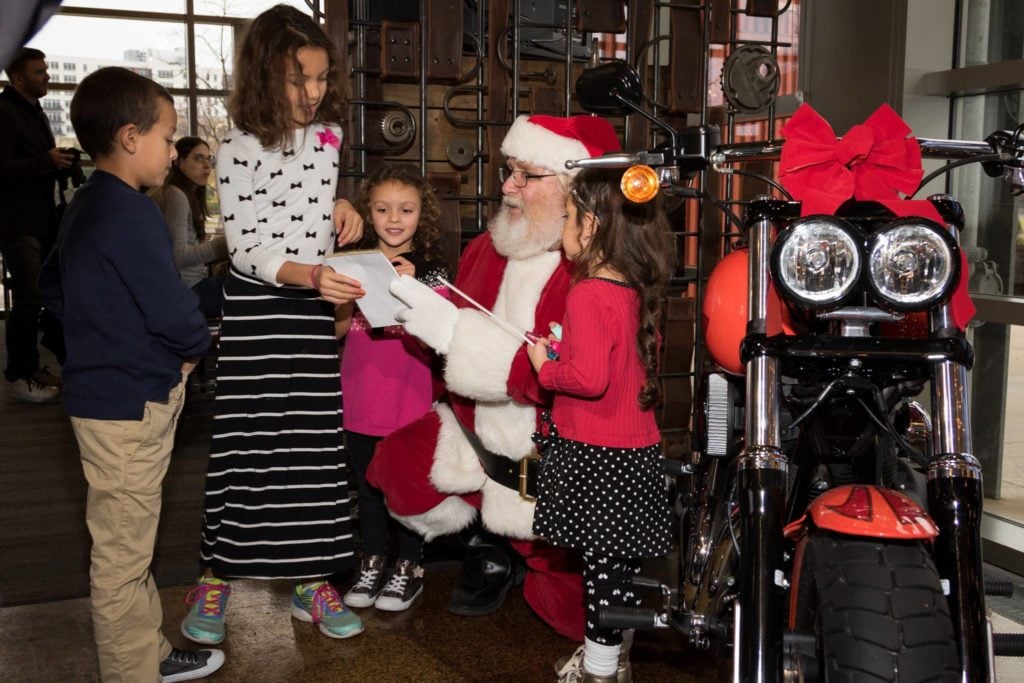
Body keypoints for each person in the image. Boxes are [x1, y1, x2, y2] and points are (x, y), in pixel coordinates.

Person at [367, 114, 621, 641]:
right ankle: (489, 544)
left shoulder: (599, 268)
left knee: (578, 613)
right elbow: (447, 348)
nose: (507, 186)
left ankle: (519, 555)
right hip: (474, 432)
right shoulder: (487, 247)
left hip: (554, 448)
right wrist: (420, 317)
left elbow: (569, 375)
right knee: (396, 465)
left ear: (572, 187)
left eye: (527, 175)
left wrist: (451, 335)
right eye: (509, 171)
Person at [180, 4, 366, 646]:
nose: (313, 92)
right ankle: (214, 578)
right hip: (261, 310)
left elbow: (303, 208)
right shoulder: (235, 147)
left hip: (312, 310)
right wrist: (311, 273)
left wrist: (339, 205)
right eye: (298, 79)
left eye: (321, 78)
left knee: (314, 451)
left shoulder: (329, 137)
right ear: (264, 76)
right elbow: (247, 248)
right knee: (249, 446)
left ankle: (313, 580)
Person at [38, 66, 224, 683]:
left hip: (102, 395)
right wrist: (192, 347)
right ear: (129, 136)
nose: (172, 152)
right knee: (121, 558)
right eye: (167, 138)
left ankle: (151, 653)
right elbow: (171, 308)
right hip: (129, 403)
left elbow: (52, 290)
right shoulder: (134, 213)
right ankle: (131, 672)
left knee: (131, 541)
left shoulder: (85, 203)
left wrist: (99, 337)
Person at [526, 168, 674, 683]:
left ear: (590, 225)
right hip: (635, 451)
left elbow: (588, 380)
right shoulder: (633, 289)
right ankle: (617, 659)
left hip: (596, 453)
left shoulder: (587, 292)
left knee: (601, 575)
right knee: (621, 570)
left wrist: (545, 366)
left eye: (568, 216)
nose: (564, 226)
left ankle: (599, 670)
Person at [338, 163, 449, 612]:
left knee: (405, 486)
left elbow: (439, 341)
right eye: (383, 209)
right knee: (367, 488)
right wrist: (344, 296)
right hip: (361, 395)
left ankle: (409, 567)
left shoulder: (434, 272)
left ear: (423, 214)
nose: (394, 218)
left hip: (410, 398)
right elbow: (337, 331)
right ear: (369, 212)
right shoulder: (353, 264)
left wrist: (414, 290)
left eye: (406, 209)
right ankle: (372, 562)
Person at [0, 46, 70, 402]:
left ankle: (32, 366)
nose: (47, 76)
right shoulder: (4, 112)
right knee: (28, 297)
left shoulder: (33, 111)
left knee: (42, 292)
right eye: (39, 71)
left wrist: (55, 162)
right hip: (17, 222)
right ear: (18, 78)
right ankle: (19, 374)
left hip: (40, 220)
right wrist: (46, 160)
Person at [150, 136, 228, 318]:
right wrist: (225, 244)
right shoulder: (175, 195)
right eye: (199, 158)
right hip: (189, 290)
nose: (207, 166)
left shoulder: (185, 195)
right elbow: (178, 256)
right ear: (180, 162)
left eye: (209, 159)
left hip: (190, 286)